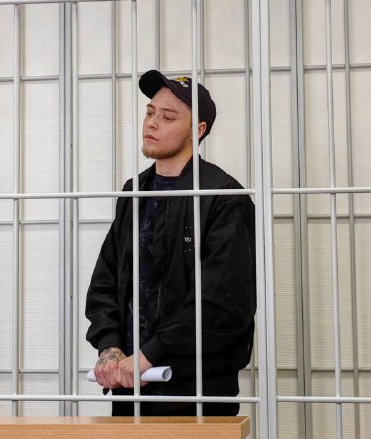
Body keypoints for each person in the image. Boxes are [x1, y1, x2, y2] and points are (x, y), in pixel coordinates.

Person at [85, 70, 256, 416]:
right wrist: (110, 348)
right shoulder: (134, 192)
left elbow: (224, 302)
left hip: (198, 393)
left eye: (167, 117)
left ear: (198, 130)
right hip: (130, 387)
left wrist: (150, 355)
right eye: (150, 112)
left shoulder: (223, 196)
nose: (152, 123)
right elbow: (105, 281)